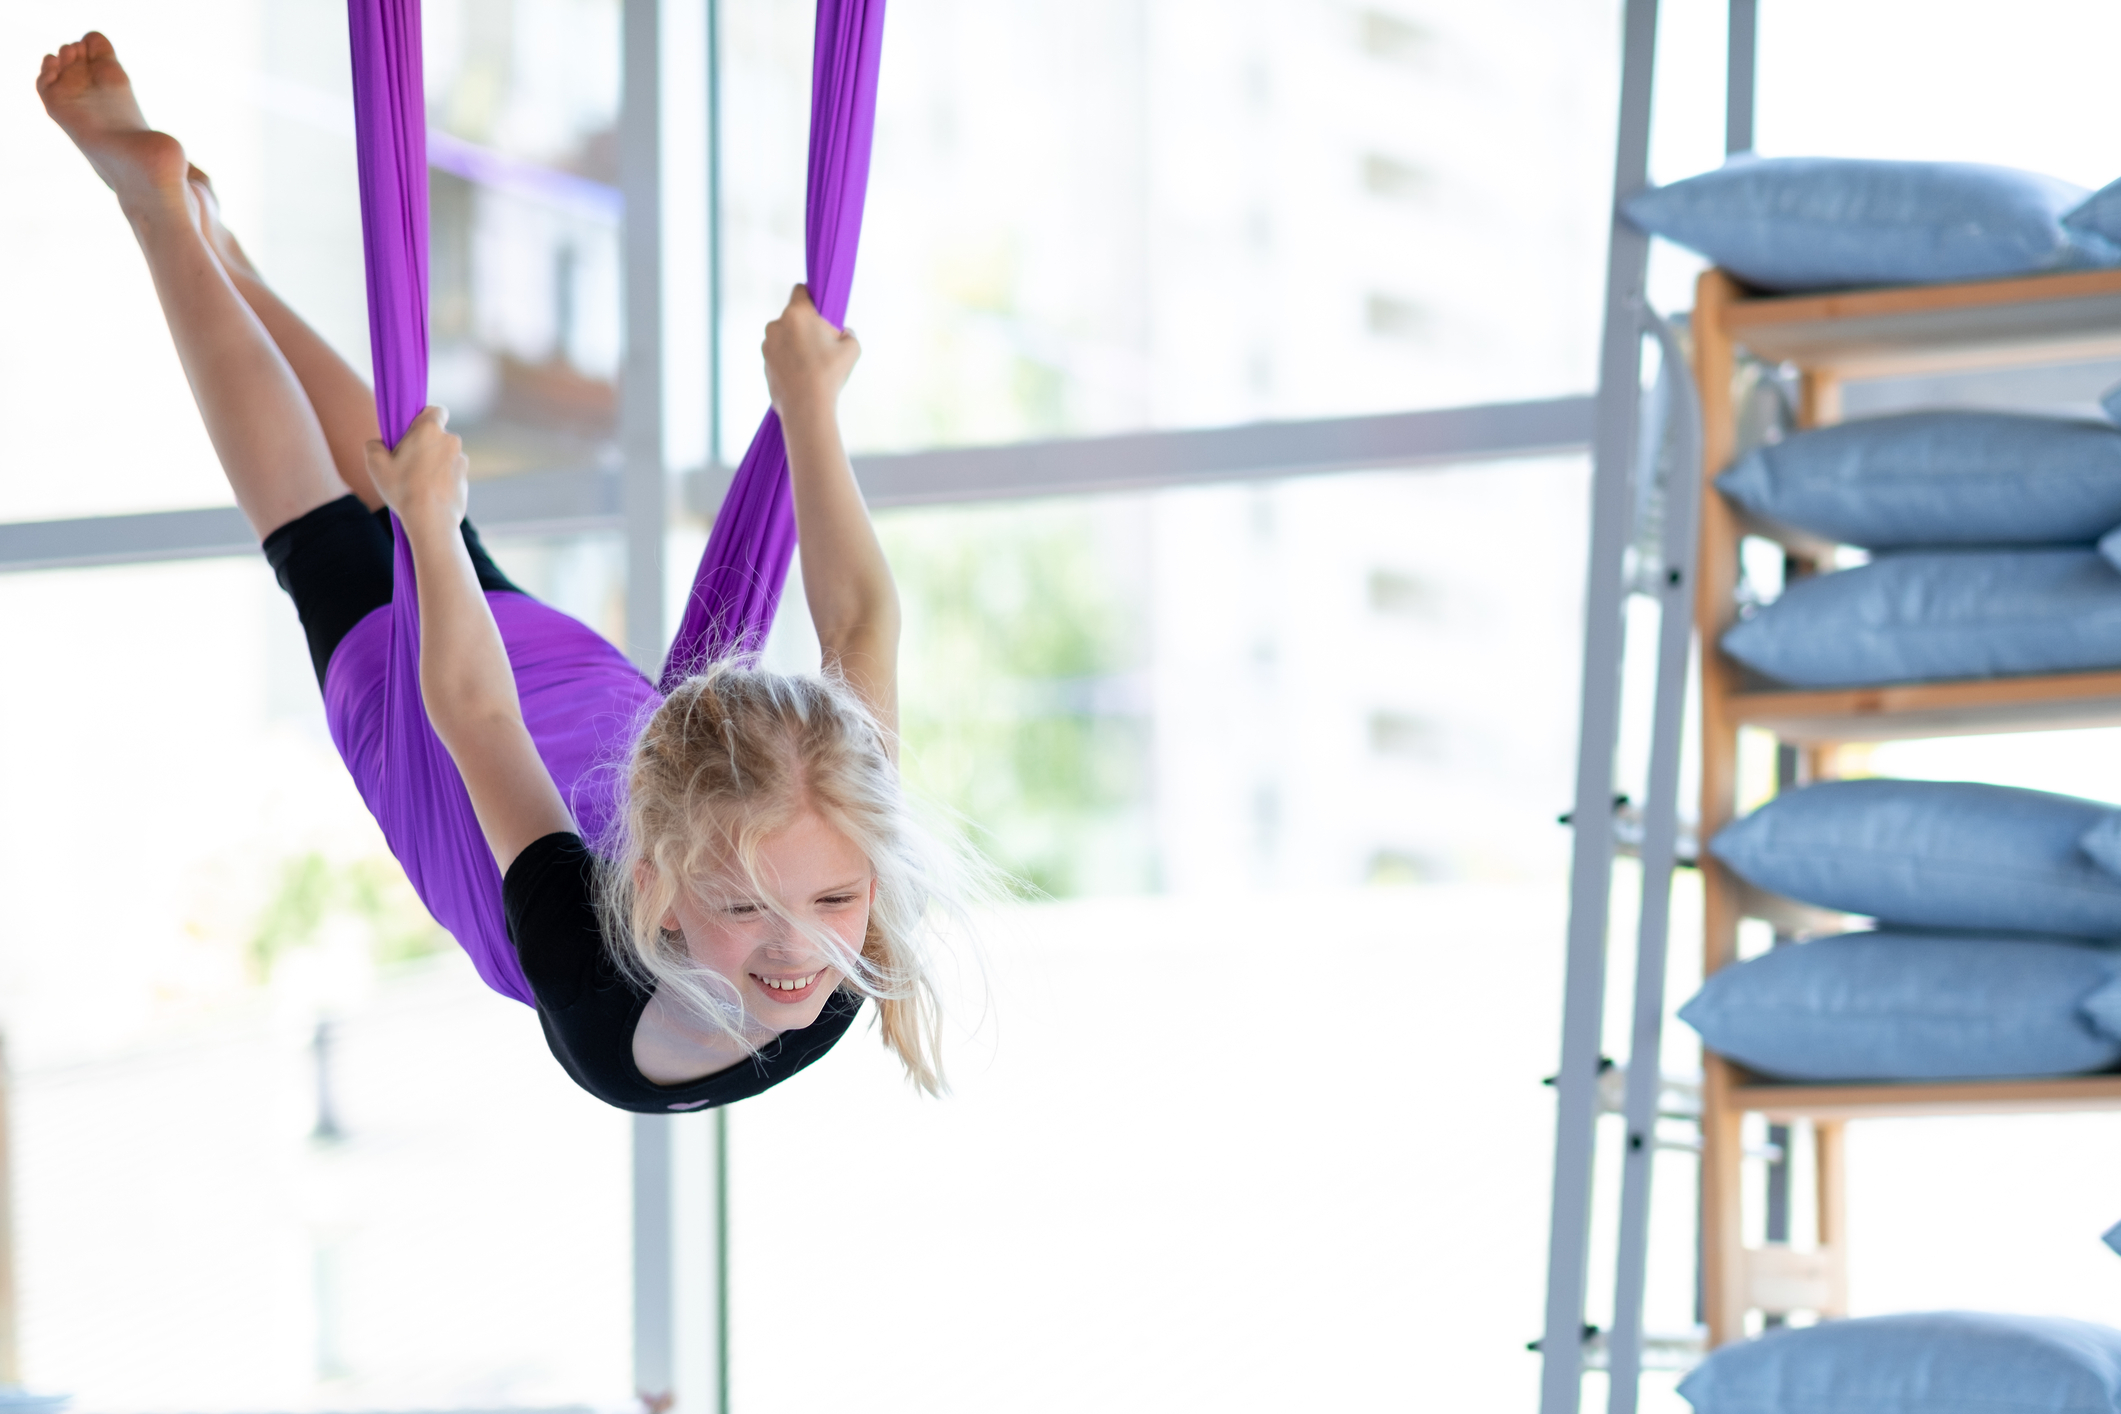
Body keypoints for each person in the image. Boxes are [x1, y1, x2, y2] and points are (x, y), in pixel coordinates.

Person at [38, 32, 949, 1111]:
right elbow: (474, 716)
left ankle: (227, 253)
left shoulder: (771, 882)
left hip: (549, 704)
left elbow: (856, 627)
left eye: (834, 897)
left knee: (411, 504)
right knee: (322, 532)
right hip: (457, 724)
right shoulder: (660, 948)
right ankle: (165, 224)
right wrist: (809, 407)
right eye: (750, 905)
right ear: (653, 887)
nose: (800, 948)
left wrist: (809, 406)